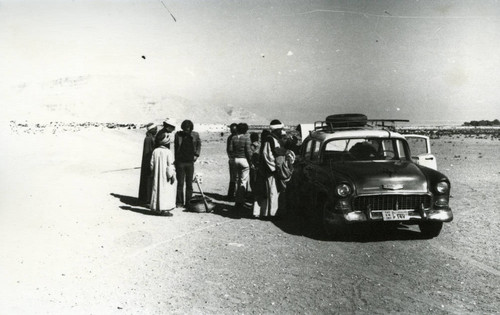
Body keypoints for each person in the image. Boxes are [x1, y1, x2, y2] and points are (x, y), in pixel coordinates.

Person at [253, 120, 287, 219]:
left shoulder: (273, 139)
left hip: (270, 169)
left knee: (271, 191)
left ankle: (269, 212)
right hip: (270, 170)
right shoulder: (270, 139)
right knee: (272, 191)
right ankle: (272, 213)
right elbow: (267, 155)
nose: (282, 131)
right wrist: (274, 168)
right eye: (280, 129)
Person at [174, 119, 201, 208]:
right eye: (185, 128)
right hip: (180, 162)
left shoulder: (195, 135)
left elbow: (199, 144)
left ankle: (188, 202)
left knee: (189, 183)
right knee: (180, 183)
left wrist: (196, 155)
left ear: (191, 128)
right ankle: (179, 202)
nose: (187, 130)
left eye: (188, 128)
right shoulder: (178, 135)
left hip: (190, 162)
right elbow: (175, 148)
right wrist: (176, 160)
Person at [150, 133, 176, 216]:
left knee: (156, 189)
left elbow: (151, 164)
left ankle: (156, 208)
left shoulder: (155, 151)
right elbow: (170, 165)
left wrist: (154, 173)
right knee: (165, 191)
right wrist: (171, 176)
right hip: (165, 176)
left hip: (157, 175)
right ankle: (164, 210)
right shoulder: (168, 152)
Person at [228, 123, 252, 208]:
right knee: (243, 181)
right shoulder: (246, 138)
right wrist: (251, 162)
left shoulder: (233, 138)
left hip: (235, 160)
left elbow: (230, 150)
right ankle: (240, 201)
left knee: (237, 180)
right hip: (244, 160)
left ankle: (237, 200)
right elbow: (248, 152)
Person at [138, 123, 157, 204]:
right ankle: (146, 199)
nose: (156, 130)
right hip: (148, 162)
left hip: (148, 161)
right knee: (148, 181)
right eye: (155, 129)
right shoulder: (149, 139)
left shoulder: (149, 138)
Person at [226, 123, 238, 201]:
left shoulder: (231, 137)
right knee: (235, 178)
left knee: (233, 178)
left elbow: (228, 150)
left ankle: (231, 194)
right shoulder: (234, 137)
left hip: (233, 159)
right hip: (235, 159)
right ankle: (233, 195)